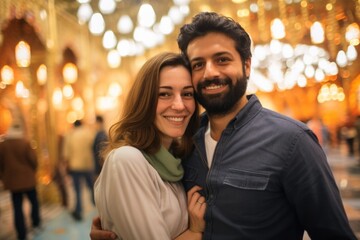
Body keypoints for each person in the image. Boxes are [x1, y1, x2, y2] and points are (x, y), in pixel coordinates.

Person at [90, 12, 356, 240]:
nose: (209, 73)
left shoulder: (292, 142)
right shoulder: (183, 145)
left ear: (247, 65)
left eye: (222, 60)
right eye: (198, 64)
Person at [93, 52, 206, 239]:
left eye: (187, 94)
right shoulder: (126, 160)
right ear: (144, 101)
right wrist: (195, 232)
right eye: (164, 94)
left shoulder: (172, 162)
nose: (179, 105)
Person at [0, 124, 42, 240]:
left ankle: (21, 234)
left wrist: (3, 177)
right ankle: (36, 223)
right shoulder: (25, 143)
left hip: (12, 182)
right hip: (28, 179)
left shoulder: (3, 146)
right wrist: (33, 171)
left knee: (17, 207)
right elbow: (33, 160)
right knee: (34, 202)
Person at [63, 119, 95, 221]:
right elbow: (93, 146)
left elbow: (66, 153)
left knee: (77, 190)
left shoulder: (70, 135)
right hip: (87, 164)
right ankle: (98, 204)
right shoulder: (88, 133)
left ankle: (78, 210)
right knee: (91, 187)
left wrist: (66, 164)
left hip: (75, 166)